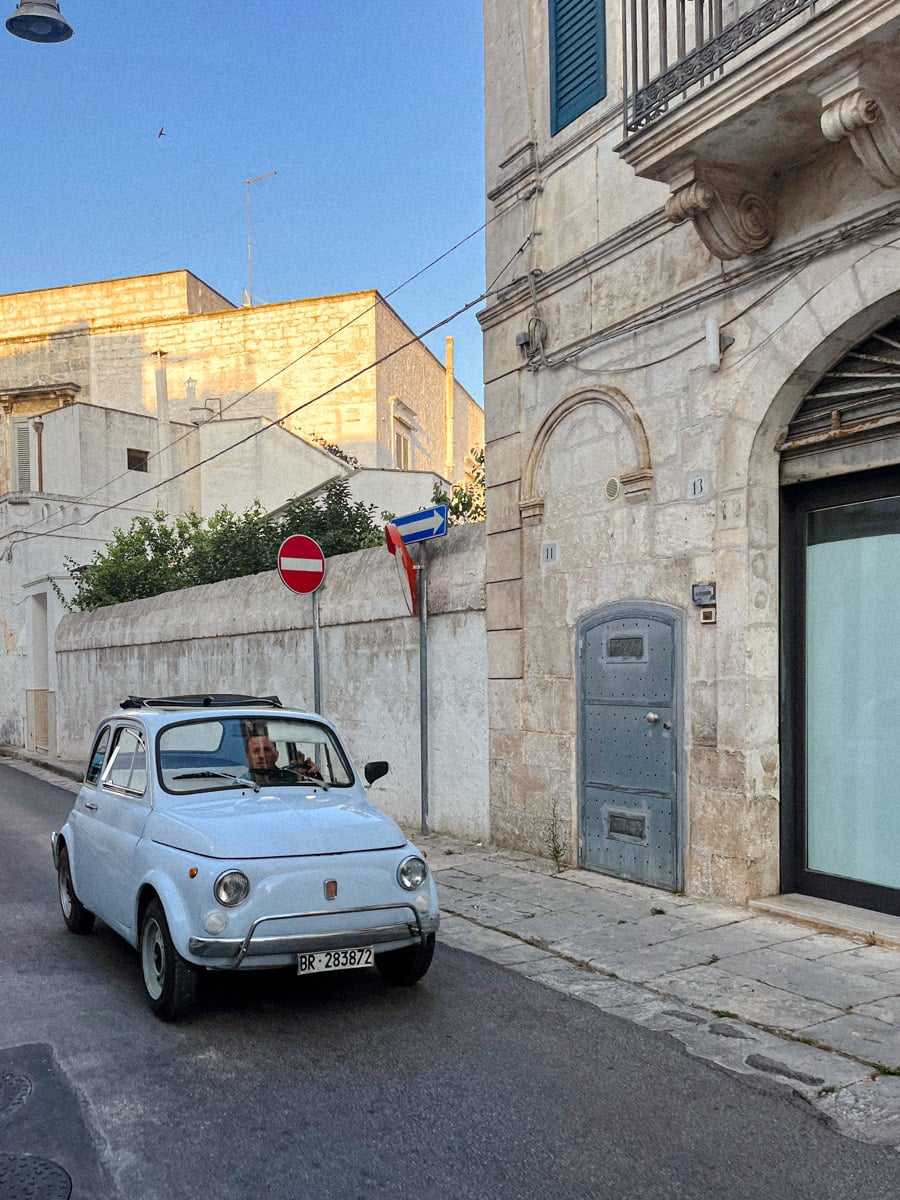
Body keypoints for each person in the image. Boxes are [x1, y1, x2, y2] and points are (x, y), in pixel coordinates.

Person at [244, 732, 321, 784]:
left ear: (276, 755)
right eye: (256, 751)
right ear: (247, 756)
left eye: (267, 750)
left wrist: (312, 777)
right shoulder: (241, 783)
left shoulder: (293, 777)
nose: (262, 756)